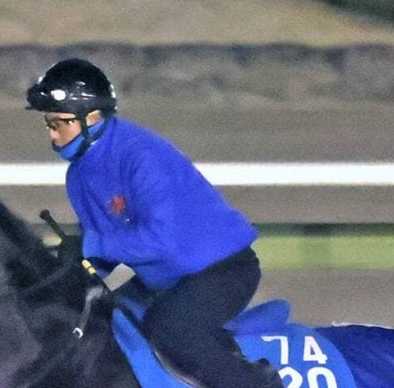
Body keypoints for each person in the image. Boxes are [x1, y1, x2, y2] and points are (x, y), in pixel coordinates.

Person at [26, 58, 283, 388]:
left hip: (222, 271)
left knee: (171, 329)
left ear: (92, 117)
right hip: (168, 279)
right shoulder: (78, 175)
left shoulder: (140, 155)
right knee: (103, 320)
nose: (52, 134)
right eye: (48, 124)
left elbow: (159, 241)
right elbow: (106, 253)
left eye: (59, 123)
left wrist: (90, 245)